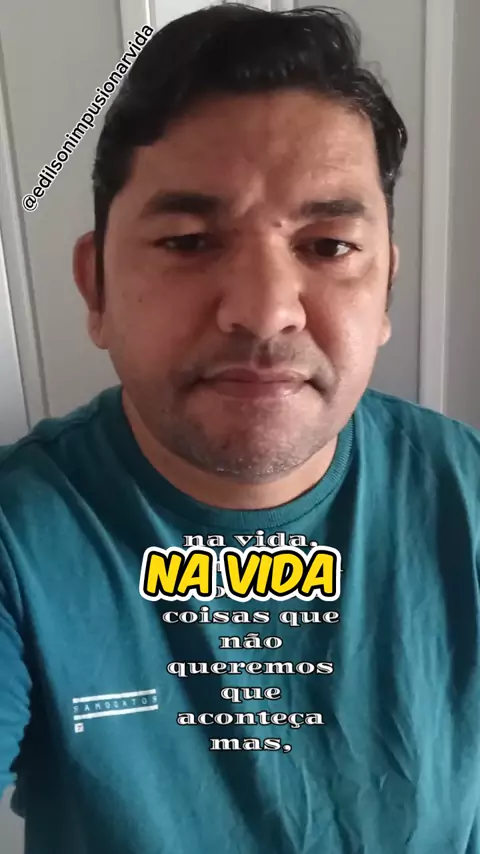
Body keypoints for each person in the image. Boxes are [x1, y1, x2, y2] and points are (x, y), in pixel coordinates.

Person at [1, 3, 479, 852]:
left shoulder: (467, 497)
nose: (264, 312)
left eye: (328, 246)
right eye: (189, 241)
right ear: (95, 288)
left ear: (386, 292)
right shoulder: (18, 538)